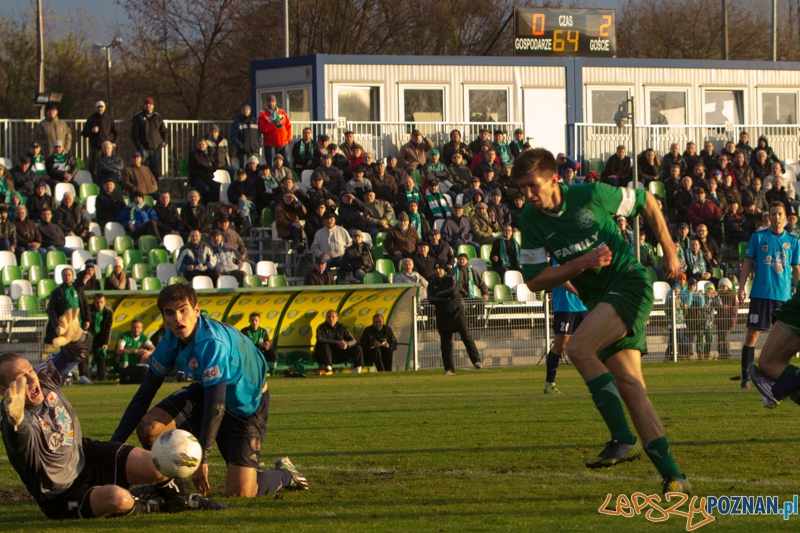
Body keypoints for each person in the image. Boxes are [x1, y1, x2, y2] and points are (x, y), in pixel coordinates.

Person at [511, 147, 690, 494]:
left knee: (578, 349)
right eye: (522, 188)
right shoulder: (529, 221)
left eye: (533, 185)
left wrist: (669, 251)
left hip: (629, 282)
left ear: (554, 179)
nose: (528, 194)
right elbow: (534, 279)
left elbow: (647, 202)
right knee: (631, 387)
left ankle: (622, 437)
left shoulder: (591, 194)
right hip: (599, 300)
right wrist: (581, 264)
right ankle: (674, 476)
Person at [0, 313, 223, 520]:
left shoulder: (44, 379)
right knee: (119, 500)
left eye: (29, 370)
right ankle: (153, 505)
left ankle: (179, 501)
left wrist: (78, 336)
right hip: (62, 492)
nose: (31, 380)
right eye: (20, 378)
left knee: (161, 464)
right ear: (3, 390)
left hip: (88, 455)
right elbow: (19, 434)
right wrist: (15, 419)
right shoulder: (14, 417)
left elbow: (76, 352)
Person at [111, 284, 308, 498]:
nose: (177, 318)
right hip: (208, 392)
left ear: (196, 311)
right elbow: (144, 395)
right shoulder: (168, 341)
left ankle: (286, 474)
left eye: (183, 310)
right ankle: (168, 491)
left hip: (245, 405)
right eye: (170, 313)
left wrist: (202, 459)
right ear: (164, 319)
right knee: (150, 428)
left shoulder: (212, 343)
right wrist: (112, 450)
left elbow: (217, 405)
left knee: (240, 491)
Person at [737, 201, 800, 389]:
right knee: (752, 336)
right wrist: (741, 287)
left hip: (784, 297)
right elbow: (747, 263)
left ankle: (772, 376)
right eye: (773, 214)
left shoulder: (793, 241)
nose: (776, 217)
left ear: (786, 217)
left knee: (779, 341)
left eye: (780, 214)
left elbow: (797, 269)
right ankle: (745, 378)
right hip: (760, 294)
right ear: (768, 217)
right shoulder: (758, 237)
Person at [427, 263, 483, 374]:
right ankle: (449, 369)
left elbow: (453, 291)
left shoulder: (451, 279)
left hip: (457, 313)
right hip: (442, 316)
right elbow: (431, 299)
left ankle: (476, 361)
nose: (439, 271)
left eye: (441, 269)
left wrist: (438, 294)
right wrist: (444, 298)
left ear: (444, 270)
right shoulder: (431, 284)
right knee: (445, 344)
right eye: (436, 269)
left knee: (466, 337)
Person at [546, 274, 588, 394]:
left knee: (592, 343)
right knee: (560, 346)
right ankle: (549, 384)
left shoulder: (583, 255)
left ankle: (601, 382)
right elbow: (561, 279)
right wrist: (578, 292)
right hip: (565, 307)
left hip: (584, 307)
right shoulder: (558, 256)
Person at [45, 267, 90, 347]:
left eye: (69, 275)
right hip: (65, 329)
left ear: (72, 276)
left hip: (78, 326)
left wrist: (87, 319)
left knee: (80, 350)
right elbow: (50, 309)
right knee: (67, 353)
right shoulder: (57, 292)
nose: (67, 277)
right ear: (62, 277)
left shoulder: (78, 289)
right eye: (65, 275)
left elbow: (85, 305)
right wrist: (57, 325)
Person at [314, 310, 364, 375]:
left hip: (339, 354)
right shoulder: (321, 327)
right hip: (324, 356)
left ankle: (358, 371)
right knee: (325, 346)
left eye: (333, 317)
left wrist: (346, 345)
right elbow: (320, 339)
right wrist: (337, 342)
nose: (331, 319)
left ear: (337, 318)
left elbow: (353, 340)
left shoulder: (341, 327)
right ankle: (328, 369)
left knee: (358, 348)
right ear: (326, 318)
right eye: (329, 317)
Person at [130, 97, 167, 178]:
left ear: (153, 106)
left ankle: (154, 188)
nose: (148, 106)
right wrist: (139, 146)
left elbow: (164, 131)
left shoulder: (157, 117)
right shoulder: (138, 117)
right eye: (146, 104)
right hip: (143, 149)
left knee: (155, 171)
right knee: (141, 170)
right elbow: (134, 134)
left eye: (150, 104)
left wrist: (164, 141)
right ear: (143, 106)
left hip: (155, 148)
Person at [81, 101, 118, 174]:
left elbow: (116, 132)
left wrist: (114, 142)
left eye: (101, 107)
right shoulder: (91, 119)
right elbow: (84, 133)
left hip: (107, 148)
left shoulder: (109, 119)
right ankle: (95, 182)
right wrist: (92, 130)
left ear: (104, 108)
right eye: (98, 107)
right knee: (95, 166)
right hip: (96, 147)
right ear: (95, 108)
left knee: (109, 165)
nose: (100, 109)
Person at [116, 319, 155, 384]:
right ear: (131, 328)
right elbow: (118, 351)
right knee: (124, 356)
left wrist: (147, 352)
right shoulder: (125, 336)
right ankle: (124, 377)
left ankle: (144, 377)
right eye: (134, 327)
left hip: (136, 359)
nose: (136, 329)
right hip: (124, 358)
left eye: (138, 327)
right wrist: (135, 351)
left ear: (142, 329)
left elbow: (154, 349)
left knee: (148, 356)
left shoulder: (142, 336)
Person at [240, 312, 278, 376]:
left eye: (256, 320)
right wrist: (260, 345)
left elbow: (266, 340)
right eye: (252, 320)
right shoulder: (245, 331)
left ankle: (272, 373)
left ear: (259, 321)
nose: (254, 322)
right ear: (249, 321)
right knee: (257, 349)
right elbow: (244, 344)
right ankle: (256, 372)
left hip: (263, 351)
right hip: (250, 352)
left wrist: (267, 343)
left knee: (273, 352)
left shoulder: (262, 331)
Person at [258, 95, 292, 167]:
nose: (271, 104)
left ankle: (288, 178)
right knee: (271, 165)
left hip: (283, 143)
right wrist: (274, 124)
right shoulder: (263, 114)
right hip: (270, 144)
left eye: (273, 102)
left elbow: (288, 126)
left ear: (276, 102)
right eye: (269, 102)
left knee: (287, 164)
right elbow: (262, 129)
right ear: (267, 103)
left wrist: (288, 138)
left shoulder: (282, 112)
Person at [88, 293, 114, 381]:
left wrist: (106, 342)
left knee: (101, 356)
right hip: (89, 335)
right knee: (83, 356)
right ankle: (85, 377)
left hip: (100, 336)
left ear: (105, 302)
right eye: (97, 302)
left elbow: (108, 328)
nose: (99, 305)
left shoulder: (108, 311)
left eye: (101, 302)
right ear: (93, 302)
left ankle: (102, 379)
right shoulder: (88, 309)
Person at [188, 138, 219, 204]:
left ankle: (213, 203)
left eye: (203, 144)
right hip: (196, 179)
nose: (201, 145)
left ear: (206, 145)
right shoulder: (193, 154)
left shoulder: (208, 155)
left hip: (207, 178)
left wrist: (210, 167)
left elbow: (215, 165)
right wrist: (210, 167)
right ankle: (204, 205)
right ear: (196, 145)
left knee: (220, 186)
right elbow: (200, 163)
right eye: (199, 144)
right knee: (205, 188)